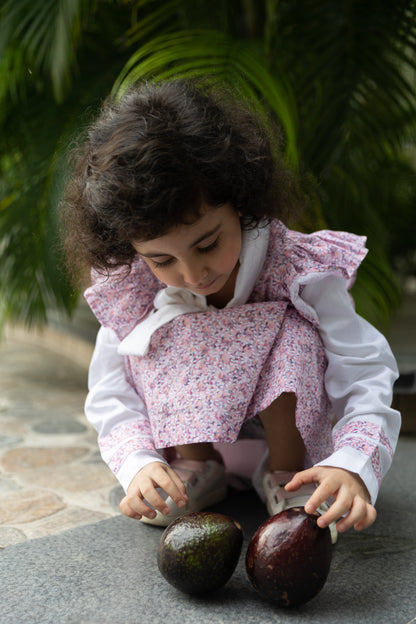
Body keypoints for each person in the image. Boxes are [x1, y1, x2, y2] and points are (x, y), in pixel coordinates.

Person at [61, 79, 401, 544]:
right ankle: (197, 467)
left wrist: (352, 465)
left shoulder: (295, 269)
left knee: (292, 327)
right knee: (157, 332)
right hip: (195, 442)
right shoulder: (136, 286)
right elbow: (109, 389)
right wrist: (139, 464)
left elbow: (364, 370)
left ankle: (286, 476)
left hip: (301, 452)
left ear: (240, 202)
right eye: (163, 260)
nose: (193, 272)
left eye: (207, 243)